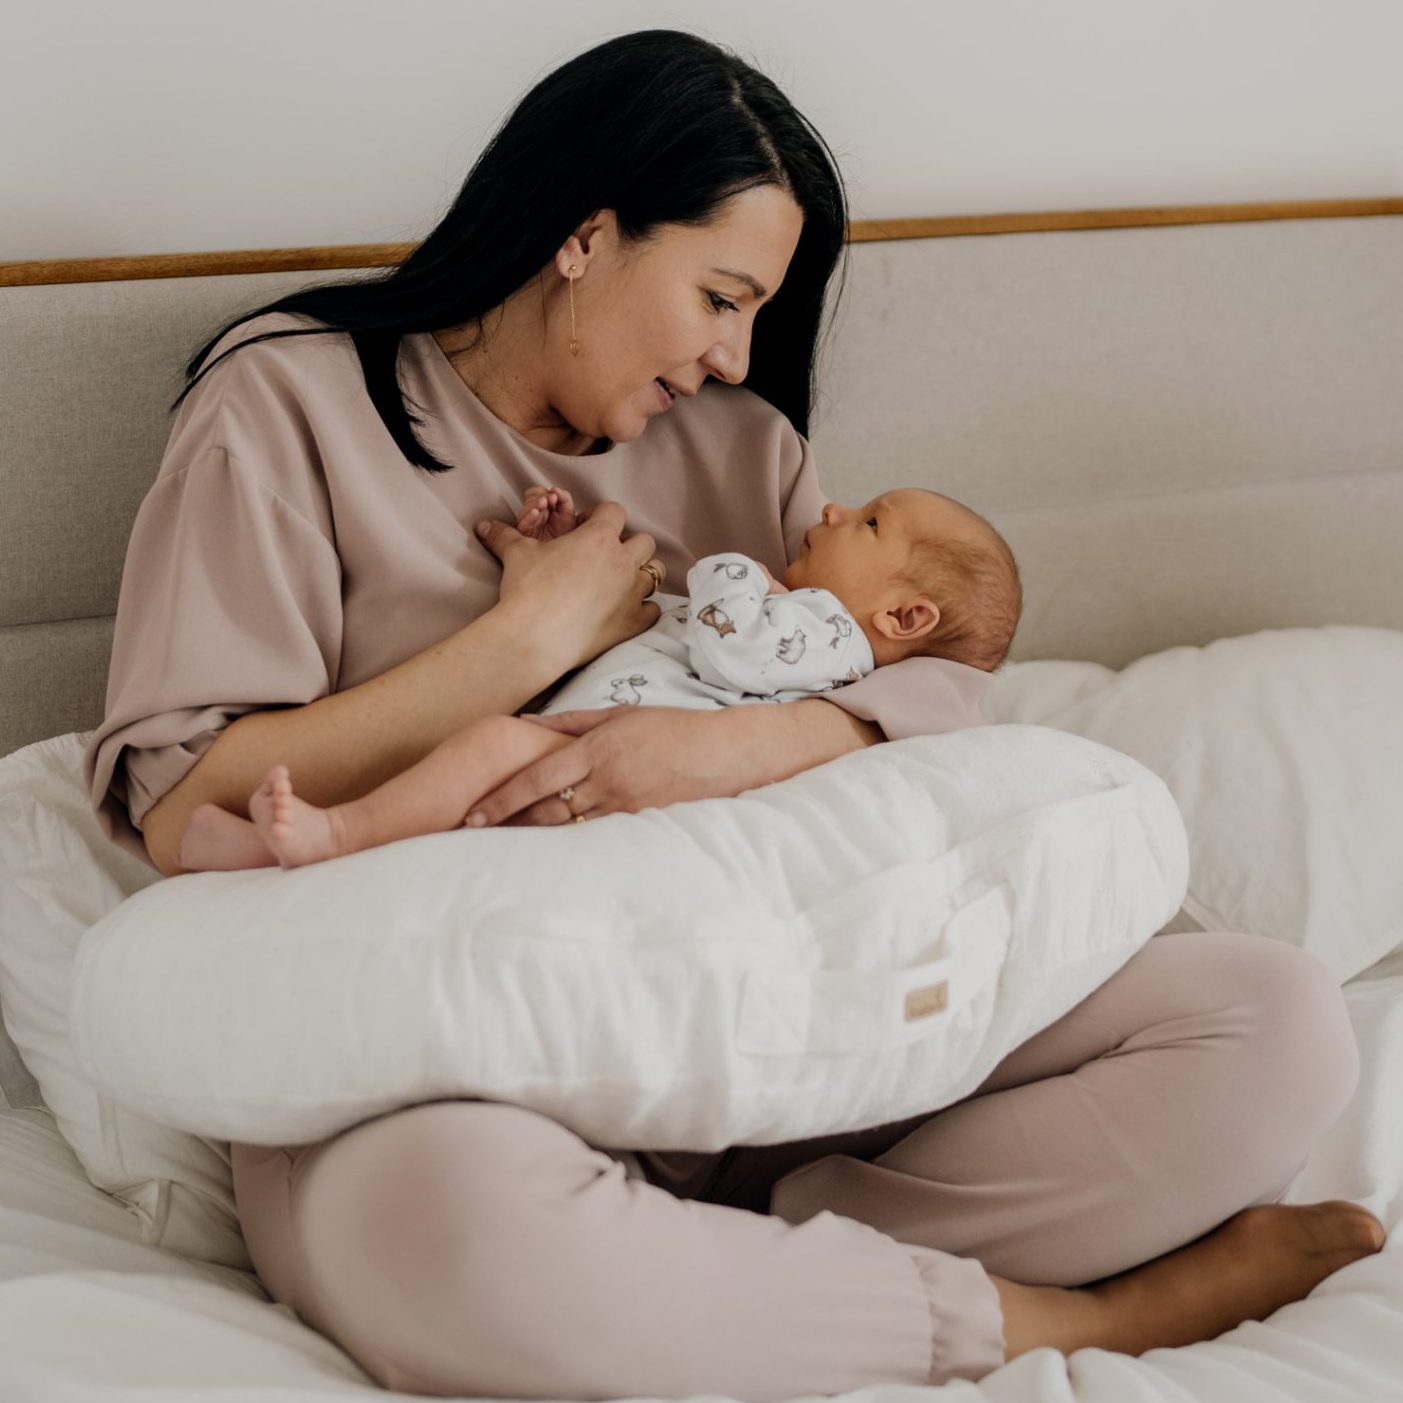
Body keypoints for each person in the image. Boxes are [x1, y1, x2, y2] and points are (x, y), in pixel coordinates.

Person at [82, 28, 1384, 1400]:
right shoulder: (289, 401)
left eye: (756, 311)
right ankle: (1059, 1320)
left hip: (766, 1014)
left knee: (1274, 1017)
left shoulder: (742, 446)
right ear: (586, 235)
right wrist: (522, 637)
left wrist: (751, 741)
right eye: (718, 295)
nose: (731, 354)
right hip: (441, 1062)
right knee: (463, 1241)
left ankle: (734, 1275)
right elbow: (187, 805)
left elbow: (932, 677)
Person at [173, 481, 1022, 871]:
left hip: (596, 766)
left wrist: (733, 567)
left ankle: (333, 837)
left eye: (869, 521)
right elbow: (658, 624)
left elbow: (729, 644)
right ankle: (281, 848)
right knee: (460, 768)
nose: (832, 508)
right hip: (583, 741)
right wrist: (570, 556)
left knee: (480, 753)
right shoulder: (797, 624)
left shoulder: (827, 636)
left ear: (904, 619)